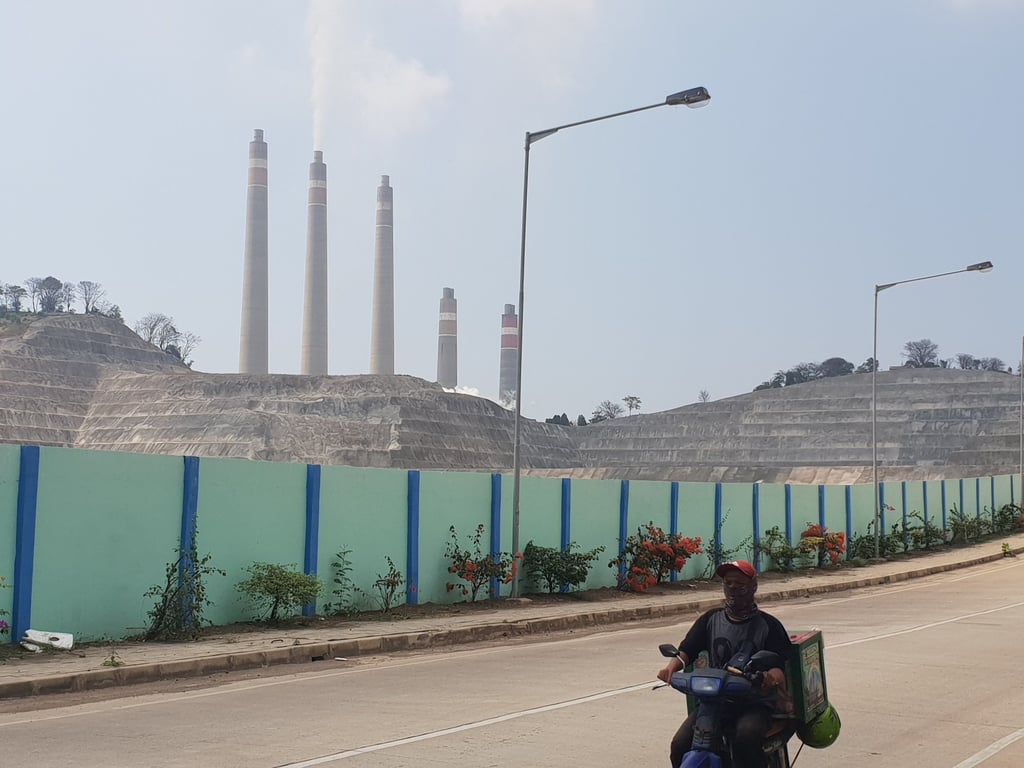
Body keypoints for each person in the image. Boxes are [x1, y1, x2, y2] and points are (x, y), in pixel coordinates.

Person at [657, 560, 791, 768]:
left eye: (740, 584)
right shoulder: (711, 619)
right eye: (728, 583)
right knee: (680, 744)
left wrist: (770, 677)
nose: (733, 589)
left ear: (753, 586)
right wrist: (671, 668)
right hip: (714, 701)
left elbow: (778, 664)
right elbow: (687, 650)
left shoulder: (769, 625)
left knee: (745, 739)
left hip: (753, 703)